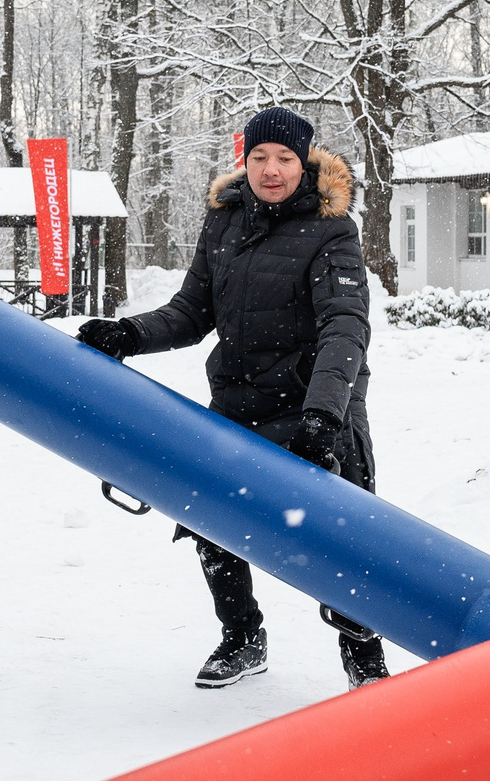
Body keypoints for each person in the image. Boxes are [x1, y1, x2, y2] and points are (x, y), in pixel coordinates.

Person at [75, 106, 389, 691]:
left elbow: (344, 327)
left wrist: (323, 417)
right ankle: (243, 638)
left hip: (317, 400)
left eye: (285, 159)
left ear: (305, 163)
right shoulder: (225, 221)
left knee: (338, 532)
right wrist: (129, 334)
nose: (271, 171)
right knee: (211, 516)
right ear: (244, 161)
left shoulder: (332, 229)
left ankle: (364, 656)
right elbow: (193, 311)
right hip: (241, 401)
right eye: (260, 158)